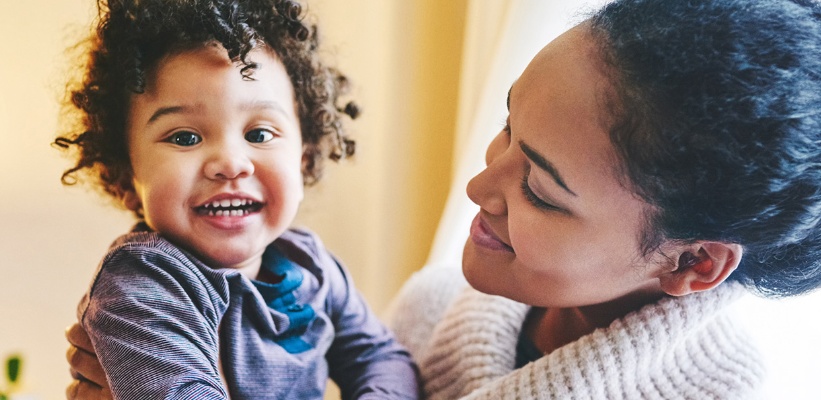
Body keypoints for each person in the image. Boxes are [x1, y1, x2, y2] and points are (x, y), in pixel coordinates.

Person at [66, 0, 821, 398]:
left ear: (693, 262)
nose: (476, 186)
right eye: (505, 128)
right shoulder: (435, 309)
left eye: (538, 189)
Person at [55, 0, 419, 399]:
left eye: (260, 134)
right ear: (127, 174)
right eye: (185, 137)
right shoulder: (143, 284)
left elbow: (385, 361)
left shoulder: (312, 265)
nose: (230, 163)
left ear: (305, 157)